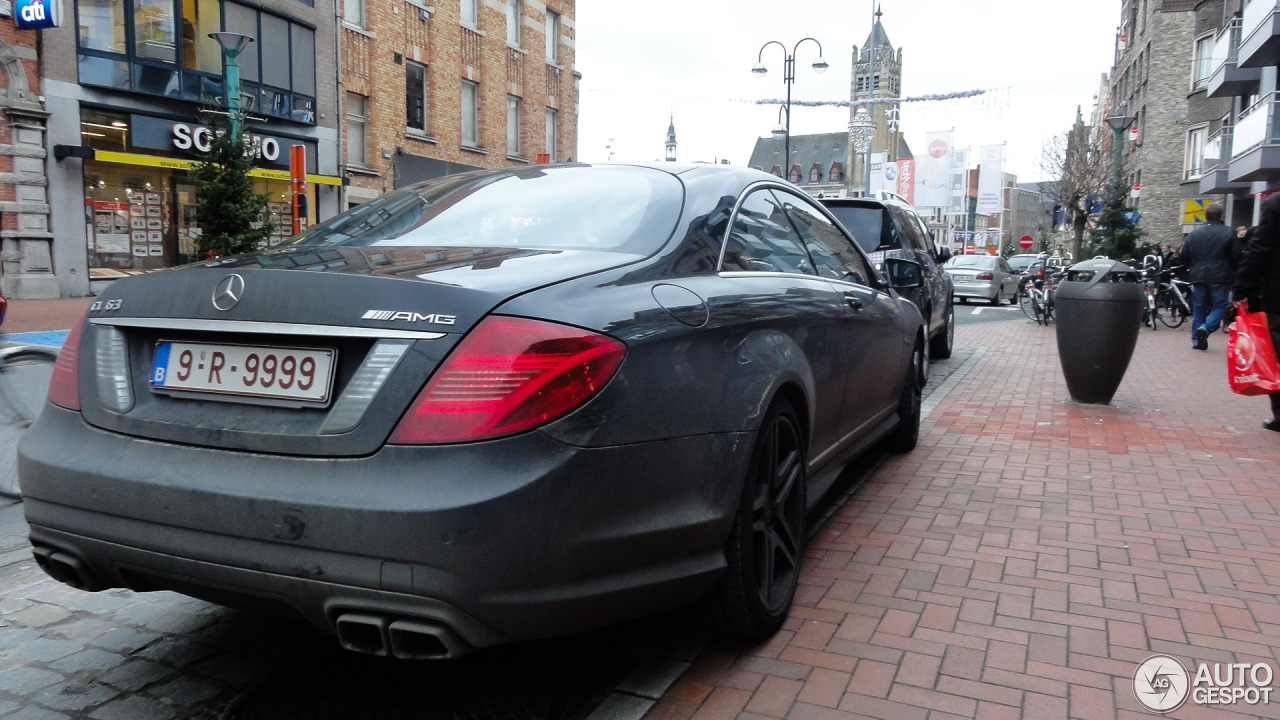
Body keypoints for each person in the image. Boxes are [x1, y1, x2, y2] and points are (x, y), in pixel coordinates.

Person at [1234, 193, 1280, 432]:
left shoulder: (1274, 205)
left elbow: (1259, 249)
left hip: (1277, 294)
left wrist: (1242, 287)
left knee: (1277, 354)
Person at [1182, 202, 1236, 350]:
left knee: (1199, 307)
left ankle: (1196, 339)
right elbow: (1236, 255)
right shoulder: (1229, 232)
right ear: (1220, 215)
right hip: (1221, 276)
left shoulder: (1194, 234)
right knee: (1220, 305)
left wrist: (1190, 268)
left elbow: (1184, 254)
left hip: (1198, 275)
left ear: (1205, 215)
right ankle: (1206, 328)